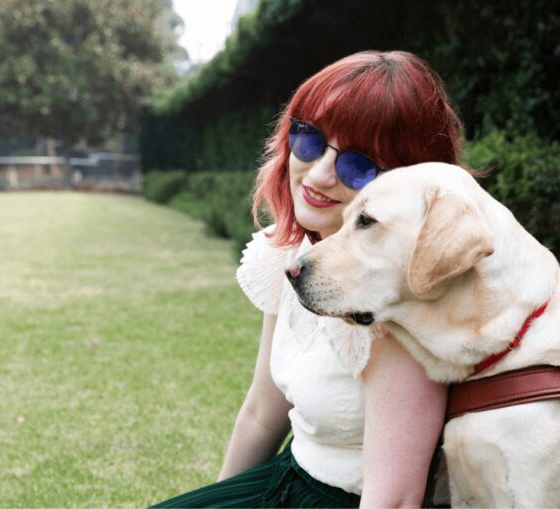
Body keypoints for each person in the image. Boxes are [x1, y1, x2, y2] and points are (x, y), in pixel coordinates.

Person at [153, 50, 465, 508]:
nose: (318, 173)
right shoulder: (292, 254)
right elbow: (263, 412)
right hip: (287, 476)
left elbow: (395, 498)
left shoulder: (398, 300)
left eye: (358, 164)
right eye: (311, 139)